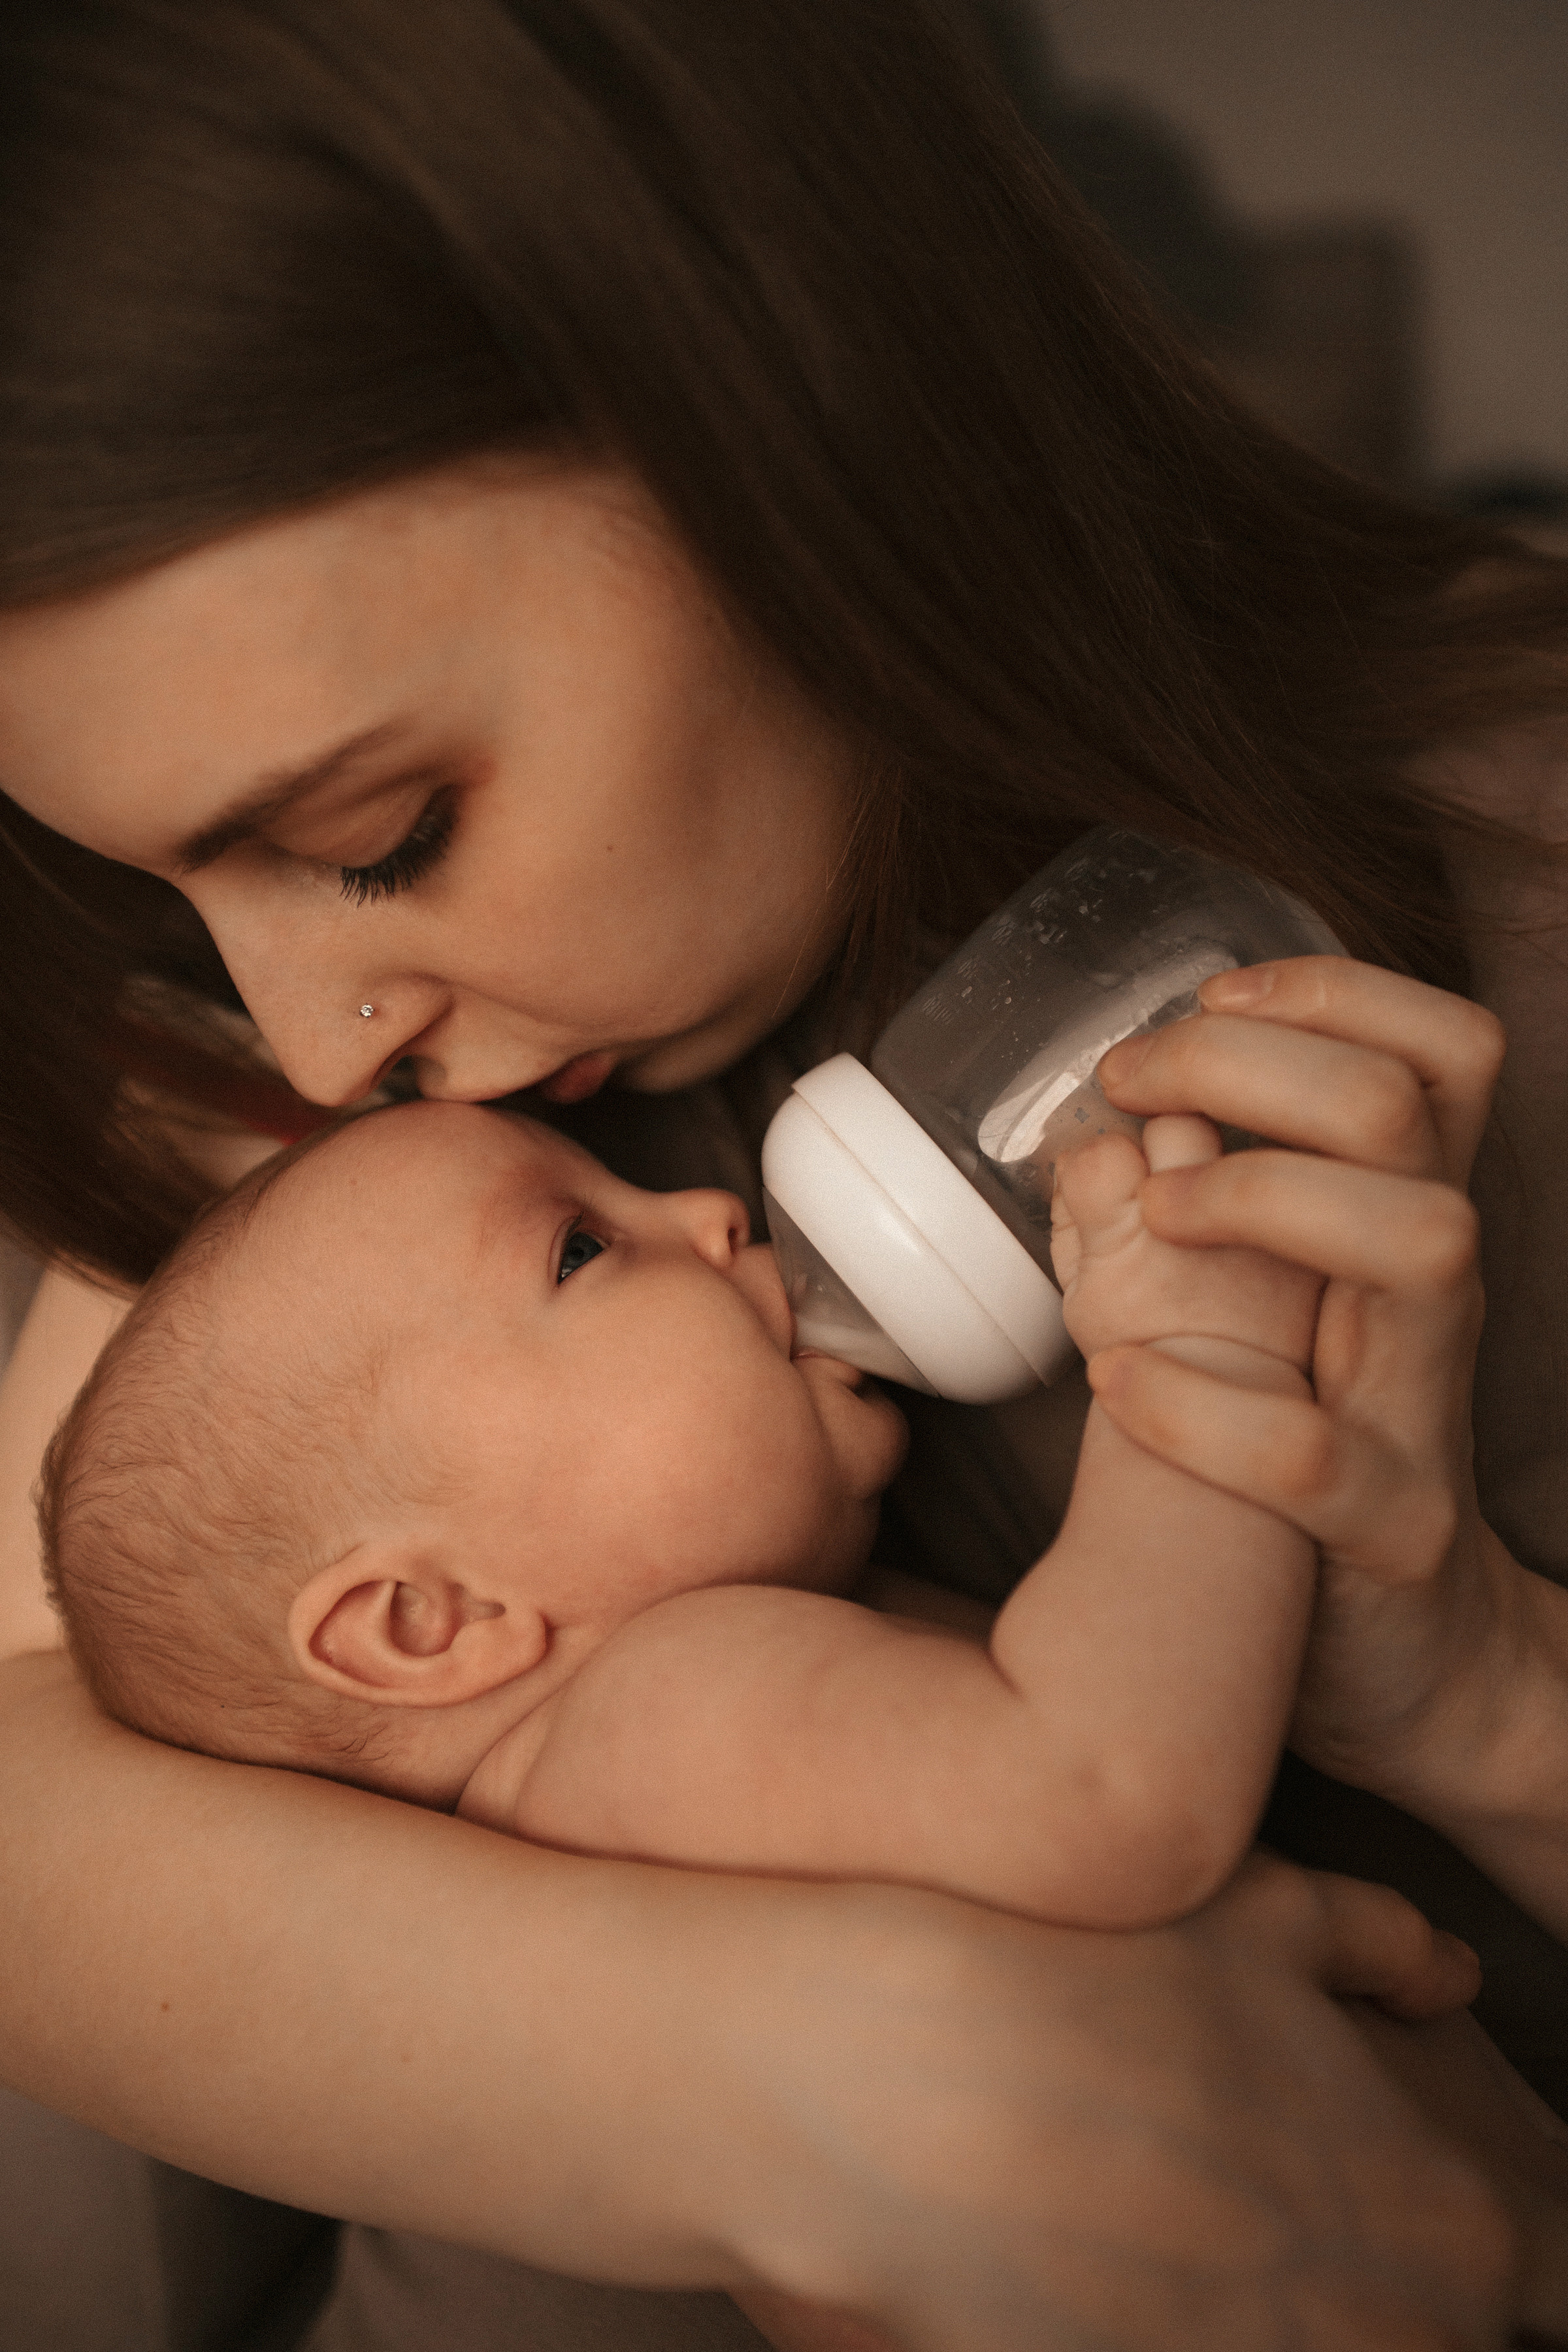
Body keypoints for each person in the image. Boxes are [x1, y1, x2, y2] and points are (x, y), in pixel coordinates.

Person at [1, 4, 1567, 2348]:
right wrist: (799, 2081)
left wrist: (1477, 1688)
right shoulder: (310, 1148)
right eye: (176, 890)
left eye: (381, 834)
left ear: (771, 398)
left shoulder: (1488, 865)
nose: (328, 1048)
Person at [44, 1098, 1326, 1935]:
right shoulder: (652, 1717)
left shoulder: (619, 1799)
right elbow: (1105, 1800)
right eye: (581, 1250)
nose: (709, 1213)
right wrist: (1208, 1354)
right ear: (437, 1620)